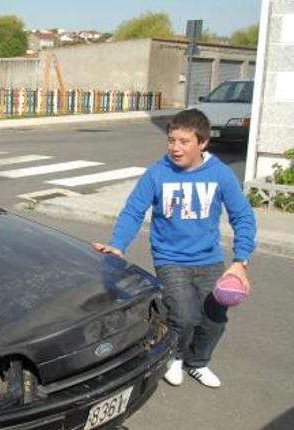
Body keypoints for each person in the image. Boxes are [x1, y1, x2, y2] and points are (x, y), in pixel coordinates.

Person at [93, 108, 256, 389]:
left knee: (215, 317)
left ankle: (198, 362)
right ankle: (175, 357)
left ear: (202, 143)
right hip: (170, 258)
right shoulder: (158, 173)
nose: (175, 148)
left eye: (184, 141)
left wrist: (241, 261)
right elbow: (133, 211)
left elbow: (243, 217)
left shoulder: (220, 174)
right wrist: (118, 245)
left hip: (210, 259)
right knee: (184, 314)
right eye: (171, 140)